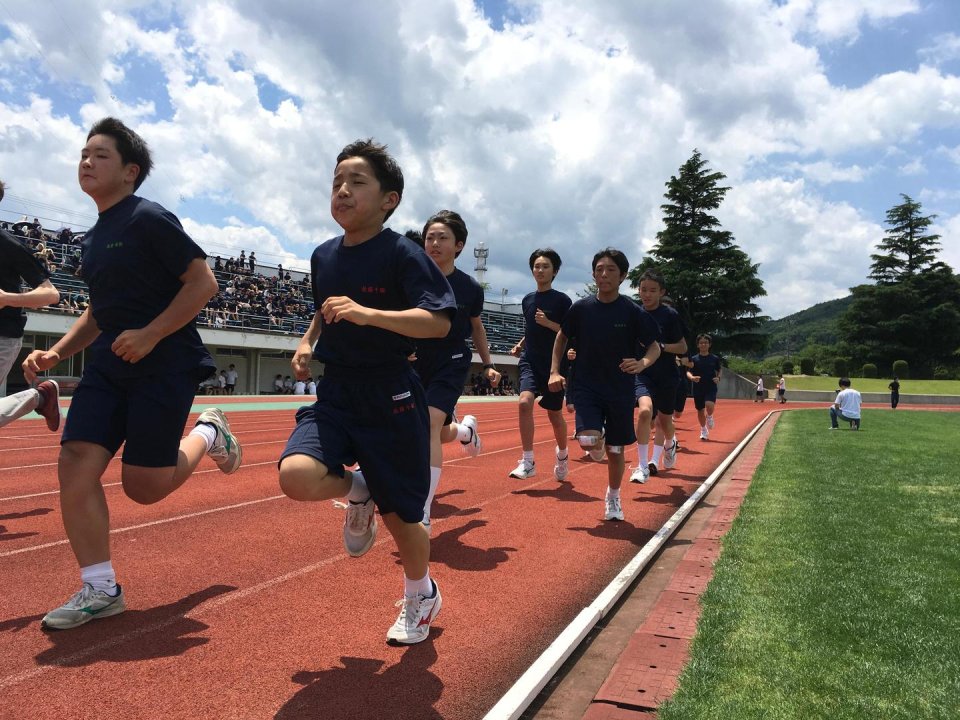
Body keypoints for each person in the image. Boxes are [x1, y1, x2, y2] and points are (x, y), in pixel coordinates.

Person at [20, 118, 242, 631]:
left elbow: (201, 283)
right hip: (108, 368)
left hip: (164, 365)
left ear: (130, 171)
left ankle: (209, 433)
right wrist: (56, 353)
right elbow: (98, 313)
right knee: (75, 462)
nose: (86, 161)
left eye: (100, 155)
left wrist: (151, 334)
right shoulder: (92, 239)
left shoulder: (148, 219)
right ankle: (100, 589)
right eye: (83, 153)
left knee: (144, 488)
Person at [277, 138, 455, 645]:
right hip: (337, 392)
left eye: (357, 182)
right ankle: (360, 490)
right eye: (336, 182)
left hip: (391, 395)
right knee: (296, 475)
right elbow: (324, 309)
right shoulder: (323, 255)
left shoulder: (404, 254)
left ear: (388, 199)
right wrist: (307, 341)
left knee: (404, 520)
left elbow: (438, 322)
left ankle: (421, 594)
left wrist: (366, 313)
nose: (342, 191)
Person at [548, 249, 660, 520]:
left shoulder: (632, 312)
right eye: (599, 269)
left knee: (616, 450)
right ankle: (597, 444)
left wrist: (642, 363)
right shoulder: (581, 308)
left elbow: (654, 347)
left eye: (610, 269)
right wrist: (554, 370)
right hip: (586, 385)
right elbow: (562, 337)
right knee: (588, 440)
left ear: (622, 275)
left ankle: (613, 496)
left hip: (620, 387)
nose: (604, 274)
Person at [412, 210, 501, 533]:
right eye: (430, 237)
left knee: (431, 422)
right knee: (431, 430)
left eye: (442, 238)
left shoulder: (468, 288)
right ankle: (466, 433)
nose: (434, 243)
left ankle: (421, 509)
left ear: (459, 245)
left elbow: (477, 328)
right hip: (413, 361)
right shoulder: (410, 279)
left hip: (450, 360)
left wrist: (489, 364)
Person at [0, 179, 62, 431]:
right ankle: (41, 397)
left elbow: (50, 294)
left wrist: (6, 299)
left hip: (3, 334)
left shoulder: (7, 244)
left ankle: (40, 397)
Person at [508, 249, 572, 480]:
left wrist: (548, 323)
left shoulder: (562, 300)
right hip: (530, 361)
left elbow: (568, 334)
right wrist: (520, 344)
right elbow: (530, 328)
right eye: (536, 266)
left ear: (554, 271)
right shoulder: (527, 299)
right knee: (524, 403)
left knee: (554, 415)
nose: (540, 270)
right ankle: (527, 460)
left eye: (545, 266)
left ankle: (563, 454)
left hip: (555, 366)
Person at [629, 270, 688, 483]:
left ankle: (669, 443)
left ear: (661, 292)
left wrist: (661, 347)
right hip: (643, 373)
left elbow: (683, 347)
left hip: (667, 376)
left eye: (652, 290)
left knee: (664, 420)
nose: (647, 294)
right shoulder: (634, 313)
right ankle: (644, 465)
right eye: (643, 290)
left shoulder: (670, 315)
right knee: (645, 412)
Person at [687, 333, 722, 440]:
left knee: (709, 405)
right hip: (698, 387)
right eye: (701, 343)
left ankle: (710, 416)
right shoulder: (693, 359)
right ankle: (703, 430)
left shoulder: (714, 358)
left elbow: (719, 370)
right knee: (700, 410)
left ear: (709, 344)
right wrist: (692, 378)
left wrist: (718, 378)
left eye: (706, 343)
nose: (703, 345)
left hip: (710, 386)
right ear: (698, 345)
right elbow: (688, 372)